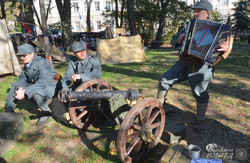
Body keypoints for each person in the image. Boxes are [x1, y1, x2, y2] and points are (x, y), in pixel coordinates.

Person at [157, 0, 229, 133]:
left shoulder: (219, 29)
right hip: (184, 62)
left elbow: (226, 47)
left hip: (202, 66)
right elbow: (173, 42)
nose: (195, 13)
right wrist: (178, 41)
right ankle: (158, 108)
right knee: (164, 80)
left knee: (200, 93)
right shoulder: (187, 26)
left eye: (198, 11)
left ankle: (200, 119)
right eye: (194, 11)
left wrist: (225, 48)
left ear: (207, 13)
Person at [4, 44, 61, 126]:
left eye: (24, 55)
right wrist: (20, 88)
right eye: (20, 56)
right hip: (39, 85)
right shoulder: (27, 63)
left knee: (35, 92)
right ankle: (9, 111)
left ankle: (46, 112)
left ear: (32, 54)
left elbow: (42, 82)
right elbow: (23, 78)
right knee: (15, 87)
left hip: (51, 86)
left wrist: (25, 91)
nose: (22, 58)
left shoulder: (42, 63)